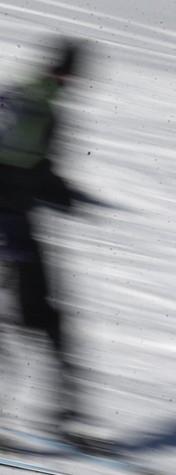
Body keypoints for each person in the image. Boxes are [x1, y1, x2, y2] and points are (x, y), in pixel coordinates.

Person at [0, 38, 96, 444]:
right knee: (43, 316)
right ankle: (67, 417)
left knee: (32, 316)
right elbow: (31, 169)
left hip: (15, 224)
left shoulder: (17, 93)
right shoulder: (42, 108)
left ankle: (66, 415)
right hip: (11, 225)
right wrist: (62, 194)